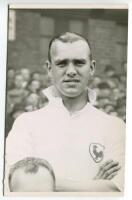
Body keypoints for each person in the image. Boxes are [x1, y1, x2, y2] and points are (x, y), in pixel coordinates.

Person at [5, 32, 125, 193]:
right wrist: (94, 186)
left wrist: (43, 183)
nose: (71, 71)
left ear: (92, 68)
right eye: (62, 63)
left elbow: (120, 190)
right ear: (49, 68)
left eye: (79, 63)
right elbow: (18, 186)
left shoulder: (114, 126)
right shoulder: (26, 123)